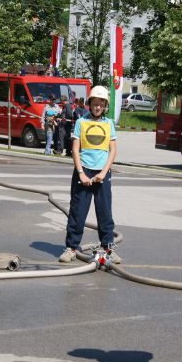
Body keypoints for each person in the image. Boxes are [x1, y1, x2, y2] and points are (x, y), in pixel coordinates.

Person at [58, 85, 121, 264]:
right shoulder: (81, 122)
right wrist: (81, 174)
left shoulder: (109, 124)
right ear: (89, 104)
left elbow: (113, 150)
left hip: (102, 173)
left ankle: (108, 248)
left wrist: (104, 172)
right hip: (83, 171)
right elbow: (75, 150)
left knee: (105, 213)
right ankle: (71, 248)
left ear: (105, 105)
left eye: (101, 104)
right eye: (95, 103)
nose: (98, 107)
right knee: (78, 211)